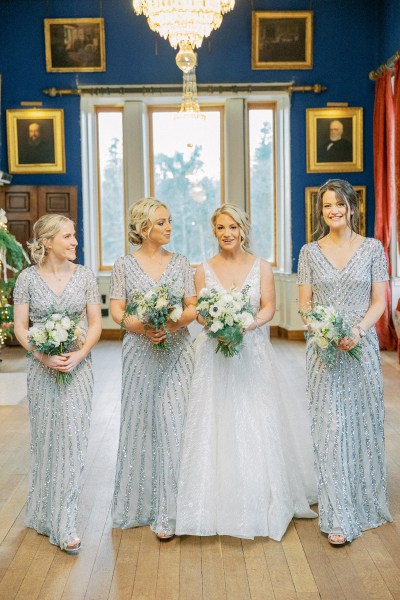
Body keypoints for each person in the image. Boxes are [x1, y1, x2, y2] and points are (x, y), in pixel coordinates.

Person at [176, 204, 317, 540]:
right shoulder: (203, 269)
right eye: (221, 228)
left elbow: (269, 306)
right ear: (214, 232)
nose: (227, 234)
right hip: (214, 353)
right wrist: (215, 323)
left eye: (233, 228)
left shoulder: (261, 267)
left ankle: (263, 497)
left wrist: (246, 325)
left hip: (251, 350)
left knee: (255, 418)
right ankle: (213, 501)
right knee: (216, 419)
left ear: (243, 230)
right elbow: (195, 311)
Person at [297, 179, 392, 546]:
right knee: (331, 427)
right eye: (326, 206)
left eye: (339, 204)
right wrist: (324, 331)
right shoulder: (309, 252)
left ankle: (364, 499)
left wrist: (355, 331)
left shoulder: (373, 248)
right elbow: (304, 305)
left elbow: (379, 303)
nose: (333, 210)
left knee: (361, 422)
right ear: (320, 212)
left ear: (352, 207)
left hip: (361, 346)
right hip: (322, 350)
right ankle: (338, 513)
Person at [13, 214, 102, 554]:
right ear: (47, 242)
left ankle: (64, 523)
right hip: (42, 369)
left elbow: (94, 324)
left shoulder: (85, 277)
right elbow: (22, 327)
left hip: (79, 368)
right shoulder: (27, 279)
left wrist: (78, 356)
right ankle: (42, 512)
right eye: (67, 236)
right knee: (47, 438)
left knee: (74, 439)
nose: (75, 241)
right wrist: (41, 355)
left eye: (75, 235)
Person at [110, 197, 197, 539]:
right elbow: (117, 312)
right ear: (144, 228)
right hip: (138, 353)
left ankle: (172, 512)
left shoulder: (181, 263)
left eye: (169, 221)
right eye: (162, 222)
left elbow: (192, 307)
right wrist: (144, 327)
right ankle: (141, 505)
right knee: (140, 423)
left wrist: (171, 327)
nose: (169, 227)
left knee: (175, 424)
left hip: (178, 352)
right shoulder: (123, 266)